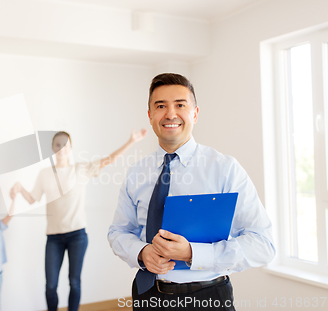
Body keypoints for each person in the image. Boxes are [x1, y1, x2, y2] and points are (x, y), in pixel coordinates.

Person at [108, 73, 275, 310]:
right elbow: (118, 232)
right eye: (160, 106)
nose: (170, 114)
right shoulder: (136, 172)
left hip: (208, 297)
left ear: (195, 113)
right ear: (150, 116)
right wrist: (142, 252)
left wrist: (192, 253)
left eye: (180, 105)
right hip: (147, 295)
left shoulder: (224, 169)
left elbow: (263, 244)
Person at [10, 129, 147, 311]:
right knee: (50, 285)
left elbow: (109, 159)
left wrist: (131, 141)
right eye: (57, 144)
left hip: (77, 236)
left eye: (64, 144)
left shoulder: (81, 169)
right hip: (53, 237)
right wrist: (19, 189)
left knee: (74, 282)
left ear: (70, 147)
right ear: (52, 148)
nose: (61, 148)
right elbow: (32, 198)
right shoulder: (45, 173)